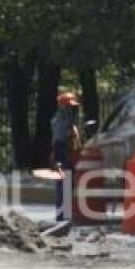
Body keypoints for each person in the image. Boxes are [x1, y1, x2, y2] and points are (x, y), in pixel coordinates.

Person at [51, 92, 82, 222]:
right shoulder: (60, 122)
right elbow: (59, 142)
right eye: (70, 107)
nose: (73, 110)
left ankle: (66, 216)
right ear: (63, 107)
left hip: (69, 157)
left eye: (74, 107)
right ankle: (62, 216)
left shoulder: (68, 122)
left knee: (67, 187)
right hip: (63, 157)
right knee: (63, 186)